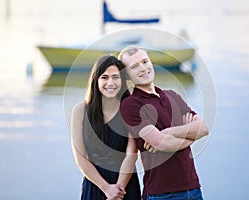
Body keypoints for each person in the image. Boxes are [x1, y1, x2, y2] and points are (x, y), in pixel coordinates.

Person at [118, 46, 209, 200]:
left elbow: (203, 129)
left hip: (193, 188)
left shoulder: (172, 96)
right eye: (134, 66)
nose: (143, 68)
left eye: (145, 62)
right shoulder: (130, 105)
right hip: (162, 194)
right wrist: (190, 137)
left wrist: (169, 132)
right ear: (127, 75)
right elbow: (162, 144)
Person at [71, 55, 141, 200]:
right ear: (96, 80)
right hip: (95, 184)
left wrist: (117, 191)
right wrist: (107, 188)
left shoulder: (129, 108)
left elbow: (132, 155)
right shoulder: (80, 111)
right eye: (104, 77)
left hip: (125, 185)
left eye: (115, 77)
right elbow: (80, 158)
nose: (110, 82)